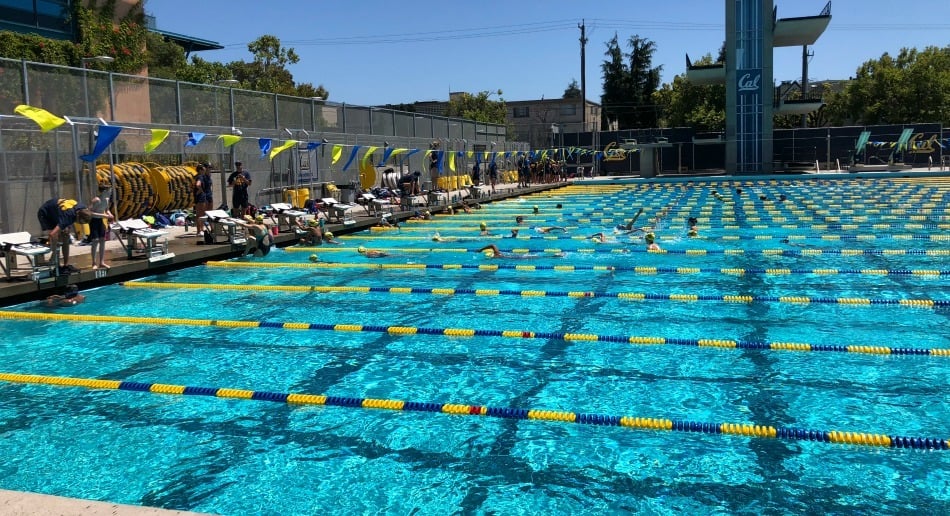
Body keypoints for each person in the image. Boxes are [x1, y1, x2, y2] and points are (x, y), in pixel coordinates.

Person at [37, 198, 92, 274]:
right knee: (56, 237)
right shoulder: (68, 216)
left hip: (57, 212)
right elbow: (51, 234)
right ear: (78, 216)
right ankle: (55, 263)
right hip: (46, 214)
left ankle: (66, 265)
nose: (79, 224)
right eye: (79, 222)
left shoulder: (82, 208)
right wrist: (53, 246)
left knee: (66, 236)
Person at [88, 185, 114, 270]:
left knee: (102, 240)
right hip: (93, 221)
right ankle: (93, 263)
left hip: (100, 221)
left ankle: (102, 262)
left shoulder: (106, 200)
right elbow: (89, 213)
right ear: (104, 192)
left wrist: (110, 214)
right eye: (109, 191)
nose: (110, 193)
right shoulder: (96, 200)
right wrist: (103, 215)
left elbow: (106, 210)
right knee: (95, 241)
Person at [194, 163, 213, 235]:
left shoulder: (200, 176)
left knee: (204, 213)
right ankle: (200, 230)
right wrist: (201, 190)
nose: (206, 169)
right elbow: (198, 185)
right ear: (200, 170)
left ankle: (204, 229)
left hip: (204, 196)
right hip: (201, 197)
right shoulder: (200, 176)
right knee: (200, 214)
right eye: (204, 168)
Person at [477, 244, 563, 259]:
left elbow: (493, 245)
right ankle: (554, 255)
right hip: (517, 256)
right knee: (536, 256)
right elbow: (492, 245)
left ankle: (555, 256)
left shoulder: (497, 255)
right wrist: (481, 250)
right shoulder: (497, 253)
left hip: (518, 258)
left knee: (537, 257)